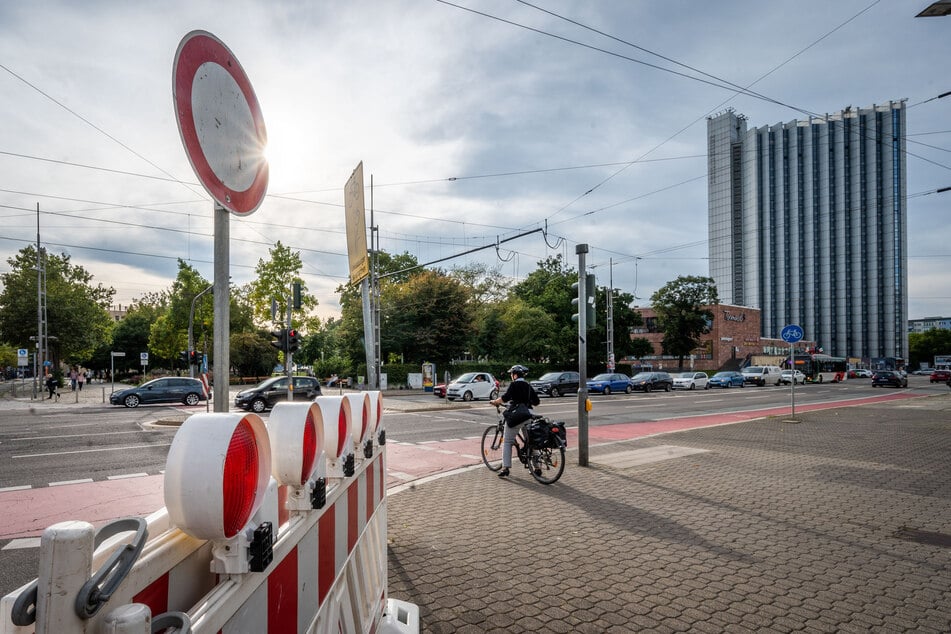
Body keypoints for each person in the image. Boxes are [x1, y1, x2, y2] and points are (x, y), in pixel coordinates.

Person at [489, 364, 540, 478]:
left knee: (507, 441)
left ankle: (505, 468)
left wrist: (496, 402)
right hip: (529, 415)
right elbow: (536, 401)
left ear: (515, 375)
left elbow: (505, 397)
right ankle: (537, 468)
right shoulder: (528, 385)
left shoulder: (514, 385)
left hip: (517, 416)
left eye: (511, 374)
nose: (511, 376)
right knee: (531, 441)